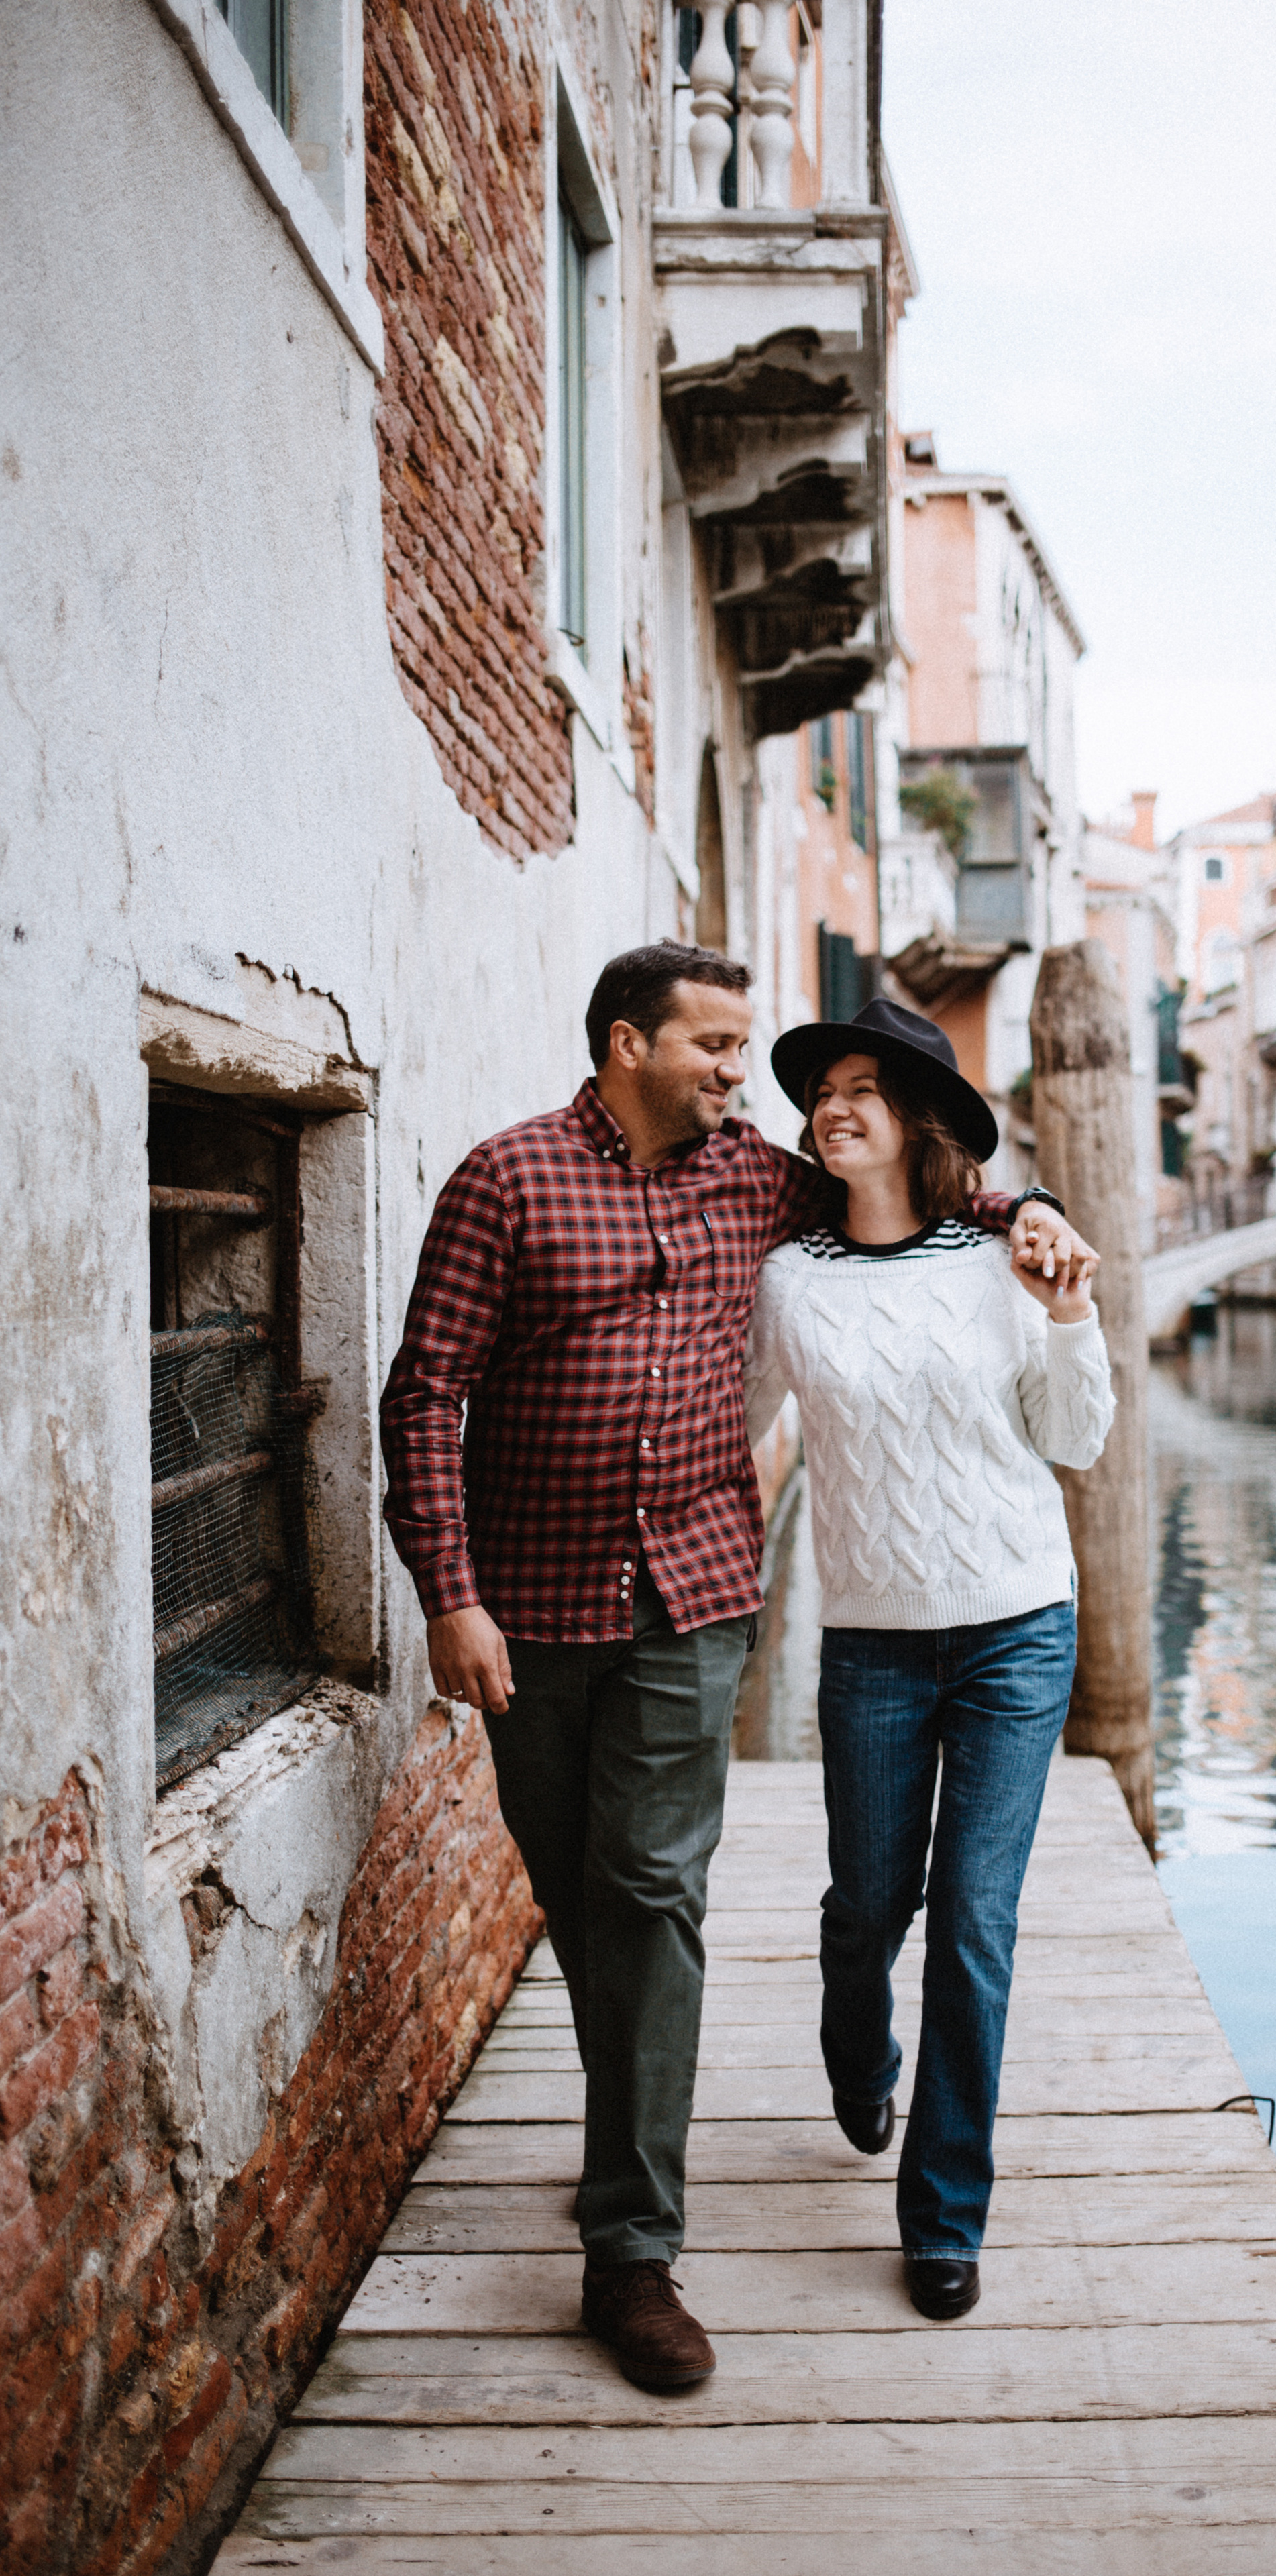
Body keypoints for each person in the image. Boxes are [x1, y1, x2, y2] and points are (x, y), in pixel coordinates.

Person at [378, 943, 1095, 2392]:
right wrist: (449, 1597)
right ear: (625, 1044)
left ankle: (631, 2252)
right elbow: (422, 1393)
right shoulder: (506, 1180)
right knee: (584, 1893)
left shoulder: (753, 1180)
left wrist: (1034, 1213)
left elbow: (933, 1195)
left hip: (700, 1598)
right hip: (530, 1600)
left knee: (652, 1890)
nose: (738, 1077)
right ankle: (630, 2118)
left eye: (749, 1052)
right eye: (713, 1047)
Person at [745, 996, 1113, 2321]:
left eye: (862, 1088)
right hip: (872, 1645)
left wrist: (1068, 1314)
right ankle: (859, 2057)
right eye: (818, 1091)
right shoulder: (787, 1278)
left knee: (971, 1921)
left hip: (1017, 1627)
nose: (830, 1107)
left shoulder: (1006, 1256)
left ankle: (943, 2214)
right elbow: (736, 1430)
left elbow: (1071, 1440)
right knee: (865, 1909)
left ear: (919, 1120)